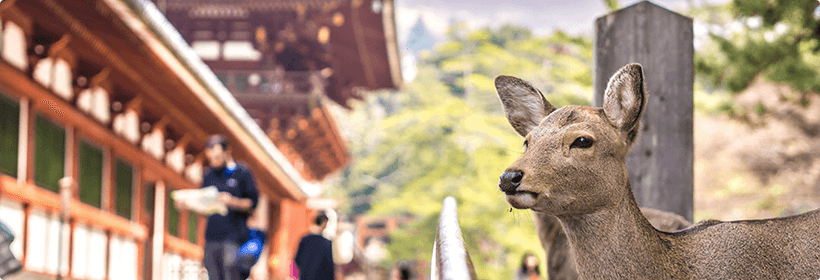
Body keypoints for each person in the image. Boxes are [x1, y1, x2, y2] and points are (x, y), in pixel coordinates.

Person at [177, 134, 258, 280]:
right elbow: (204, 203)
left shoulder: (242, 172)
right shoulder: (209, 175)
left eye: (217, 156)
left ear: (227, 151)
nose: (213, 160)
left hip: (234, 237)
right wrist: (188, 203)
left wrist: (232, 201)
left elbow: (252, 203)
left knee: (231, 274)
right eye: (210, 157)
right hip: (212, 236)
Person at [294, 212, 335, 280]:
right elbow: (329, 266)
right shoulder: (326, 243)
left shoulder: (304, 239)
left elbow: (297, 259)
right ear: (324, 224)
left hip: (305, 277)